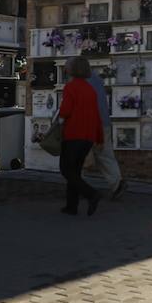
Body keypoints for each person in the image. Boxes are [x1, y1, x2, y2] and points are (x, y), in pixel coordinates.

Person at [56, 56, 103, 216]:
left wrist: (58, 122)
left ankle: (91, 194)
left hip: (73, 133)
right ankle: (71, 206)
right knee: (75, 171)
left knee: (66, 169)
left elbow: (66, 111)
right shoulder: (90, 89)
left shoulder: (71, 87)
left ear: (73, 69)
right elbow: (96, 114)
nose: (66, 67)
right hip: (87, 136)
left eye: (68, 65)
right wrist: (98, 137)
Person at [85, 66, 127, 200]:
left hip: (89, 124)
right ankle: (117, 183)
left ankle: (78, 187)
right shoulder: (97, 79)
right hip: (104, 122)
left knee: (78, 155)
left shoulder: (81, 81)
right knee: (106, 155)